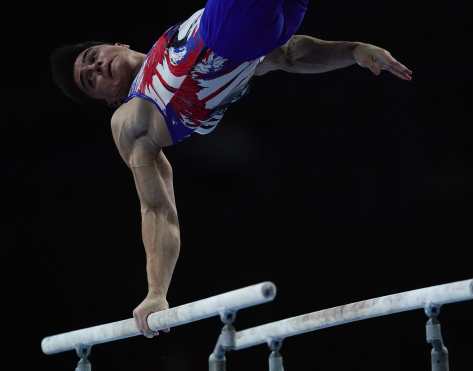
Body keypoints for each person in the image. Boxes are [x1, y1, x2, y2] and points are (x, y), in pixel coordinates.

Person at [50, 0, 413, 339]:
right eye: (90, 79)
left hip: (248, 25)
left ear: (118, 44)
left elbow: (286, 54)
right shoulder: (132, 117)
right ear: (109, 100)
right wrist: (156, 293)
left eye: (92, 57)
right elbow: (158, 208)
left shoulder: (173, 37)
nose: (96, 67)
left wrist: (351, 49)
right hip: (239, 30)